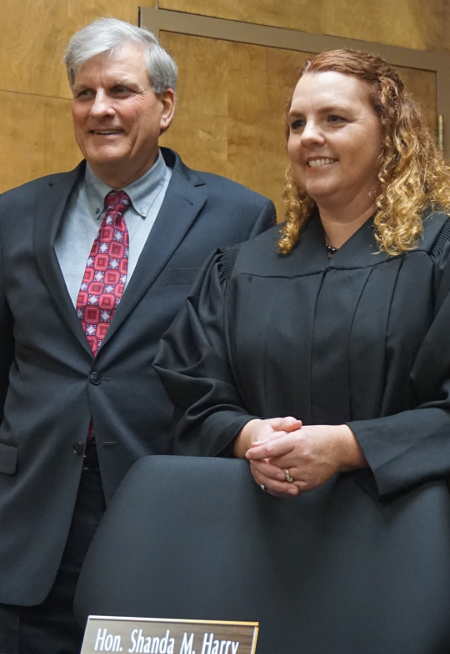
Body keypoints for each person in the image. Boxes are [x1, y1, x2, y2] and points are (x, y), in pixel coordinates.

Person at [155, 49, 450, 647]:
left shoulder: (437, 254)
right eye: (297, 122)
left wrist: (348, 447)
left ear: (390, 134)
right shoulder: (242, 266)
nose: (309, 137)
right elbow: (192, 388)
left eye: (334, 119)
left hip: (405, 551)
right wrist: (247, 435)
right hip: (258, 547)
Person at [0, 17, 275, 654]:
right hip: (28, 521)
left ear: (165, 106)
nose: (100, 109)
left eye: (121, 90)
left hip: (165, 511)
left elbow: (246, 371)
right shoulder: (14, 213)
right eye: (84, 93)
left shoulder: (238, 217)